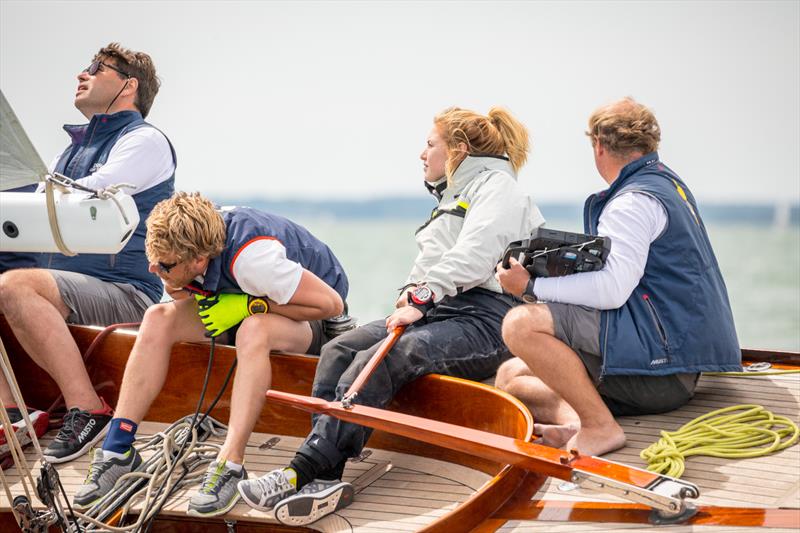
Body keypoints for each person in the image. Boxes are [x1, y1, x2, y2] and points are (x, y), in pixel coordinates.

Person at [234, 107, 545, 526]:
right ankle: (324, 477)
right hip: (445, 309)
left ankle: (298, 471)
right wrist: (411, 294)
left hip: (489, 319)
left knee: (382, 358)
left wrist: (422, 296)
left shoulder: (500, 189)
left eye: (430, 144)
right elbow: (435, 261)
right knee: (340, 349)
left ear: (460, 150)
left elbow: (474, 257)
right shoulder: (456, 193)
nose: (422, 154)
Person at [73, 192, 349, 517]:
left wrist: (250, 305)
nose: (153, 268)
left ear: (199, 260)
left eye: (164, 264)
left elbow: (331, 305)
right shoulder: (190, 240)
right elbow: (188, 285)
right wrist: (184, 282)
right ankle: (117, 450)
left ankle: (230, 463)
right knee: (157, 319)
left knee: (253, 330)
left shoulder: (255, 260)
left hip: (306, 318)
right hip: (242, 297)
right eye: (153, 258)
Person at [494, 97, 741, 457]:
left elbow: (612, 289)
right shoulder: (668, 186)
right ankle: (577, 423)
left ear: (598, 146)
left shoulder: (631, 202)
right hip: (673, 358)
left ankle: (601, 428)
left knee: (519, 326)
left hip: (662, 372)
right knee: (510, 378)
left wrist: (530, 286)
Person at [0, 42, 175, 463]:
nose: (83, 74)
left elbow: (84, 198)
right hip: (71, 287)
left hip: (125, 291)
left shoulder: (145, 141)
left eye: (97, 68)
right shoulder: (71, 149)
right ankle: (8, 418)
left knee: (15, 287)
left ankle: (89, 409)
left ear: (128, 85)